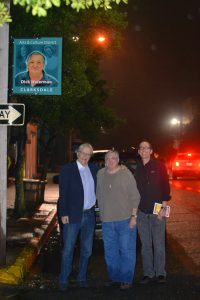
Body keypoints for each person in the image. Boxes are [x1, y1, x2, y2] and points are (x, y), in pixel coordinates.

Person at [96, 150, 140, 290]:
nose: (111, 161)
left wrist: (134, 217)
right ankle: (114, 277)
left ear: (118, 160)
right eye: (108, 158)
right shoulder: (100, 174)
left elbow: (135, 197)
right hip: (107, 221)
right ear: (105, 160)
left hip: (125, 220)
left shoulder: (126, 174)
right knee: (110, 251)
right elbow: (98, 194)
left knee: (126, 250)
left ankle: (126, 279)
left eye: (114, 158)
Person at [58, 143, 98, 291]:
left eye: (88, 154)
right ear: (77, 153)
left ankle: (82, 278)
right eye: (83, 153)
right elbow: (63, 194)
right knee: (68, 250)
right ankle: (64, 280)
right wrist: (63, 213)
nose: (85, 157)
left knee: (87, 250)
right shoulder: (67, 170)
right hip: (73, 216)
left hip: (89, 214)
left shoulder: (94, 169)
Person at [134, 141, 171, 285]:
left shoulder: (159, 166)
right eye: (141, 148)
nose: (143, 150)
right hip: (142, 212)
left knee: (159, 243)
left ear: (151, 151)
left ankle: (161, 273)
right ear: (139, 151)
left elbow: (165, 188)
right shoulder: (137, 168)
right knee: (146, 245)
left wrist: (163, 208)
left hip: (158, 210)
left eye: (146, 148)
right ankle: (148, 273)